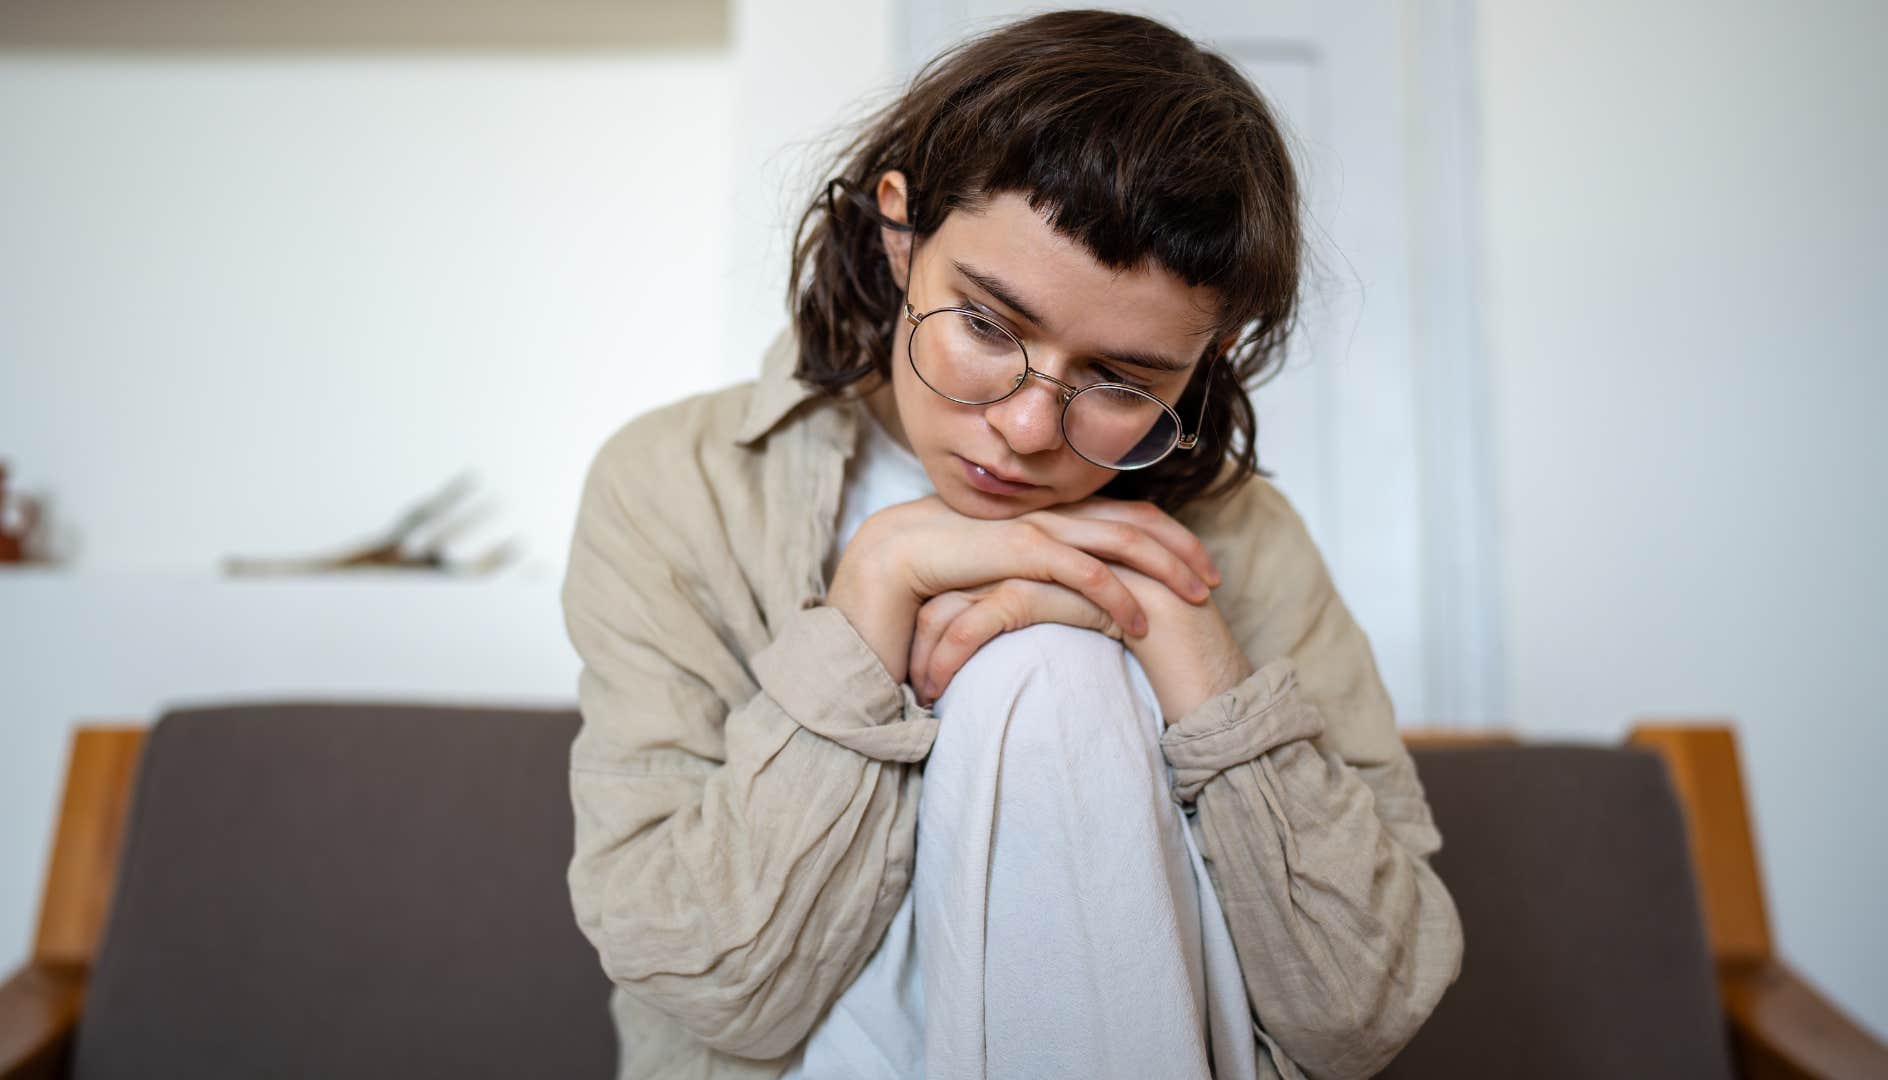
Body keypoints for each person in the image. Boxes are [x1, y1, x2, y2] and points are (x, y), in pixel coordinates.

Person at [560, 10, 1464, 1079]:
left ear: (1204, 362)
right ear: (900, 233)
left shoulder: (1243, 538)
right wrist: (871, 598)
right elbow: (712, 984)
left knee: (1053, 668)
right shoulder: (679, 484)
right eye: (988, 326)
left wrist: (1187, 651)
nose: (1031, 431)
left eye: (1124, 381)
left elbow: (1364, 1016)